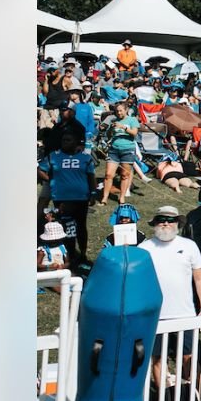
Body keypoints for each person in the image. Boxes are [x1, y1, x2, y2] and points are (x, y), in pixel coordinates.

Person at [139, 206, 201, 389]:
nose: (166, 223)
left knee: (189, 359)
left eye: (171, 220)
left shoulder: (189, 246)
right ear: (154, 223)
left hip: (184, 314)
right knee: (157, 359)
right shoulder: (144, 248)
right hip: (154, 317)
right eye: (161, 219)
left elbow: (200, 279)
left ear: (177, 223)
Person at [38, 128, 96, 267]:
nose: (65, 142)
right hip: (61, 198)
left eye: (68, 140)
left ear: (76, 142)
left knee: (81, 227)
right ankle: (69, 256)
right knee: (66, 227)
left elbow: (91, 176)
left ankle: (82, 254)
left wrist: (93, 194)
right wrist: (52, 179)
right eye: (63, 140)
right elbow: (40, 169)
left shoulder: (85, 158)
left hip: (81, 198)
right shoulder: (54, 156)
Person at [99, 101, 139, 205]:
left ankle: (122, 197)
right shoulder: (114, 120)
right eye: (117, 111)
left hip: (128, 149)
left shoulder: (132, 120)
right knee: (108, 174)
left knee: (124, 175)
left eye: (121, 110)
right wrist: (110, 130)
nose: (119, 113)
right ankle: (104, 198)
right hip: (114, 149)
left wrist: (123, 127)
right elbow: (108, 135)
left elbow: (134, 133)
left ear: (126, 110)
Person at [37, 210, 72, 276]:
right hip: (47, 274)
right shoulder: (42, 250)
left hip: (60, 273)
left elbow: (68, 262)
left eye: (57, 240)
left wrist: (63, 266)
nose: (54, 241)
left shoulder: (62, 247)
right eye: (52, 240)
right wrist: (49, 266)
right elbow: (37, 265)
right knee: (57, 286)